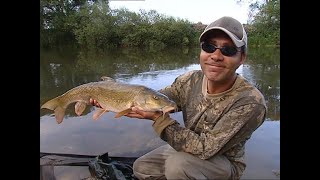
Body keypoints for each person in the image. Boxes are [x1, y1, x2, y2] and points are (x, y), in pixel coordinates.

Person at [90, 16, 267, 180]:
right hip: (189, 147)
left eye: (228, 50)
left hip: (224, 161)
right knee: (142, 168)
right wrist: (113, 95)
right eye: (209, 47)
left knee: (178, 167)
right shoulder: (191, 80)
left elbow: (206, 149)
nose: (216, 56)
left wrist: (158, 119)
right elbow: (160, 97)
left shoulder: (250, 102)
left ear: (242, 57)